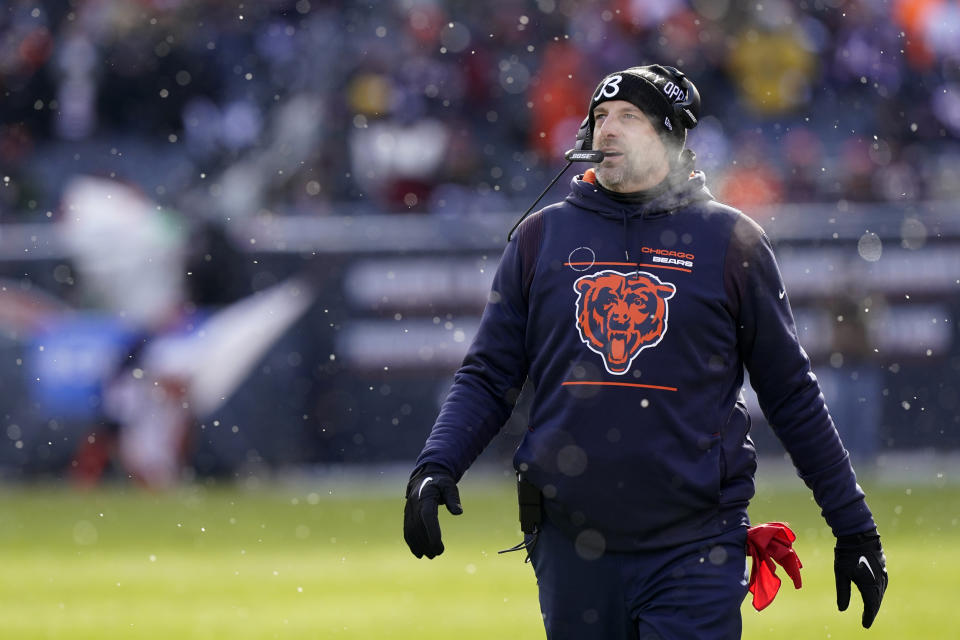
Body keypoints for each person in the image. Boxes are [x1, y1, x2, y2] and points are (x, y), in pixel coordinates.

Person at [403, 64, 888, 639]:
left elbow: (792, 395)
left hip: (696, 544)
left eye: (628, 117)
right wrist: (436, 467)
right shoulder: (540, 240)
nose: (605, 129)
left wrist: (853, 526)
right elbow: (487, 377)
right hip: (570, 545)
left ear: (670, 137)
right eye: (598, 118)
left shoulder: (732, 244)